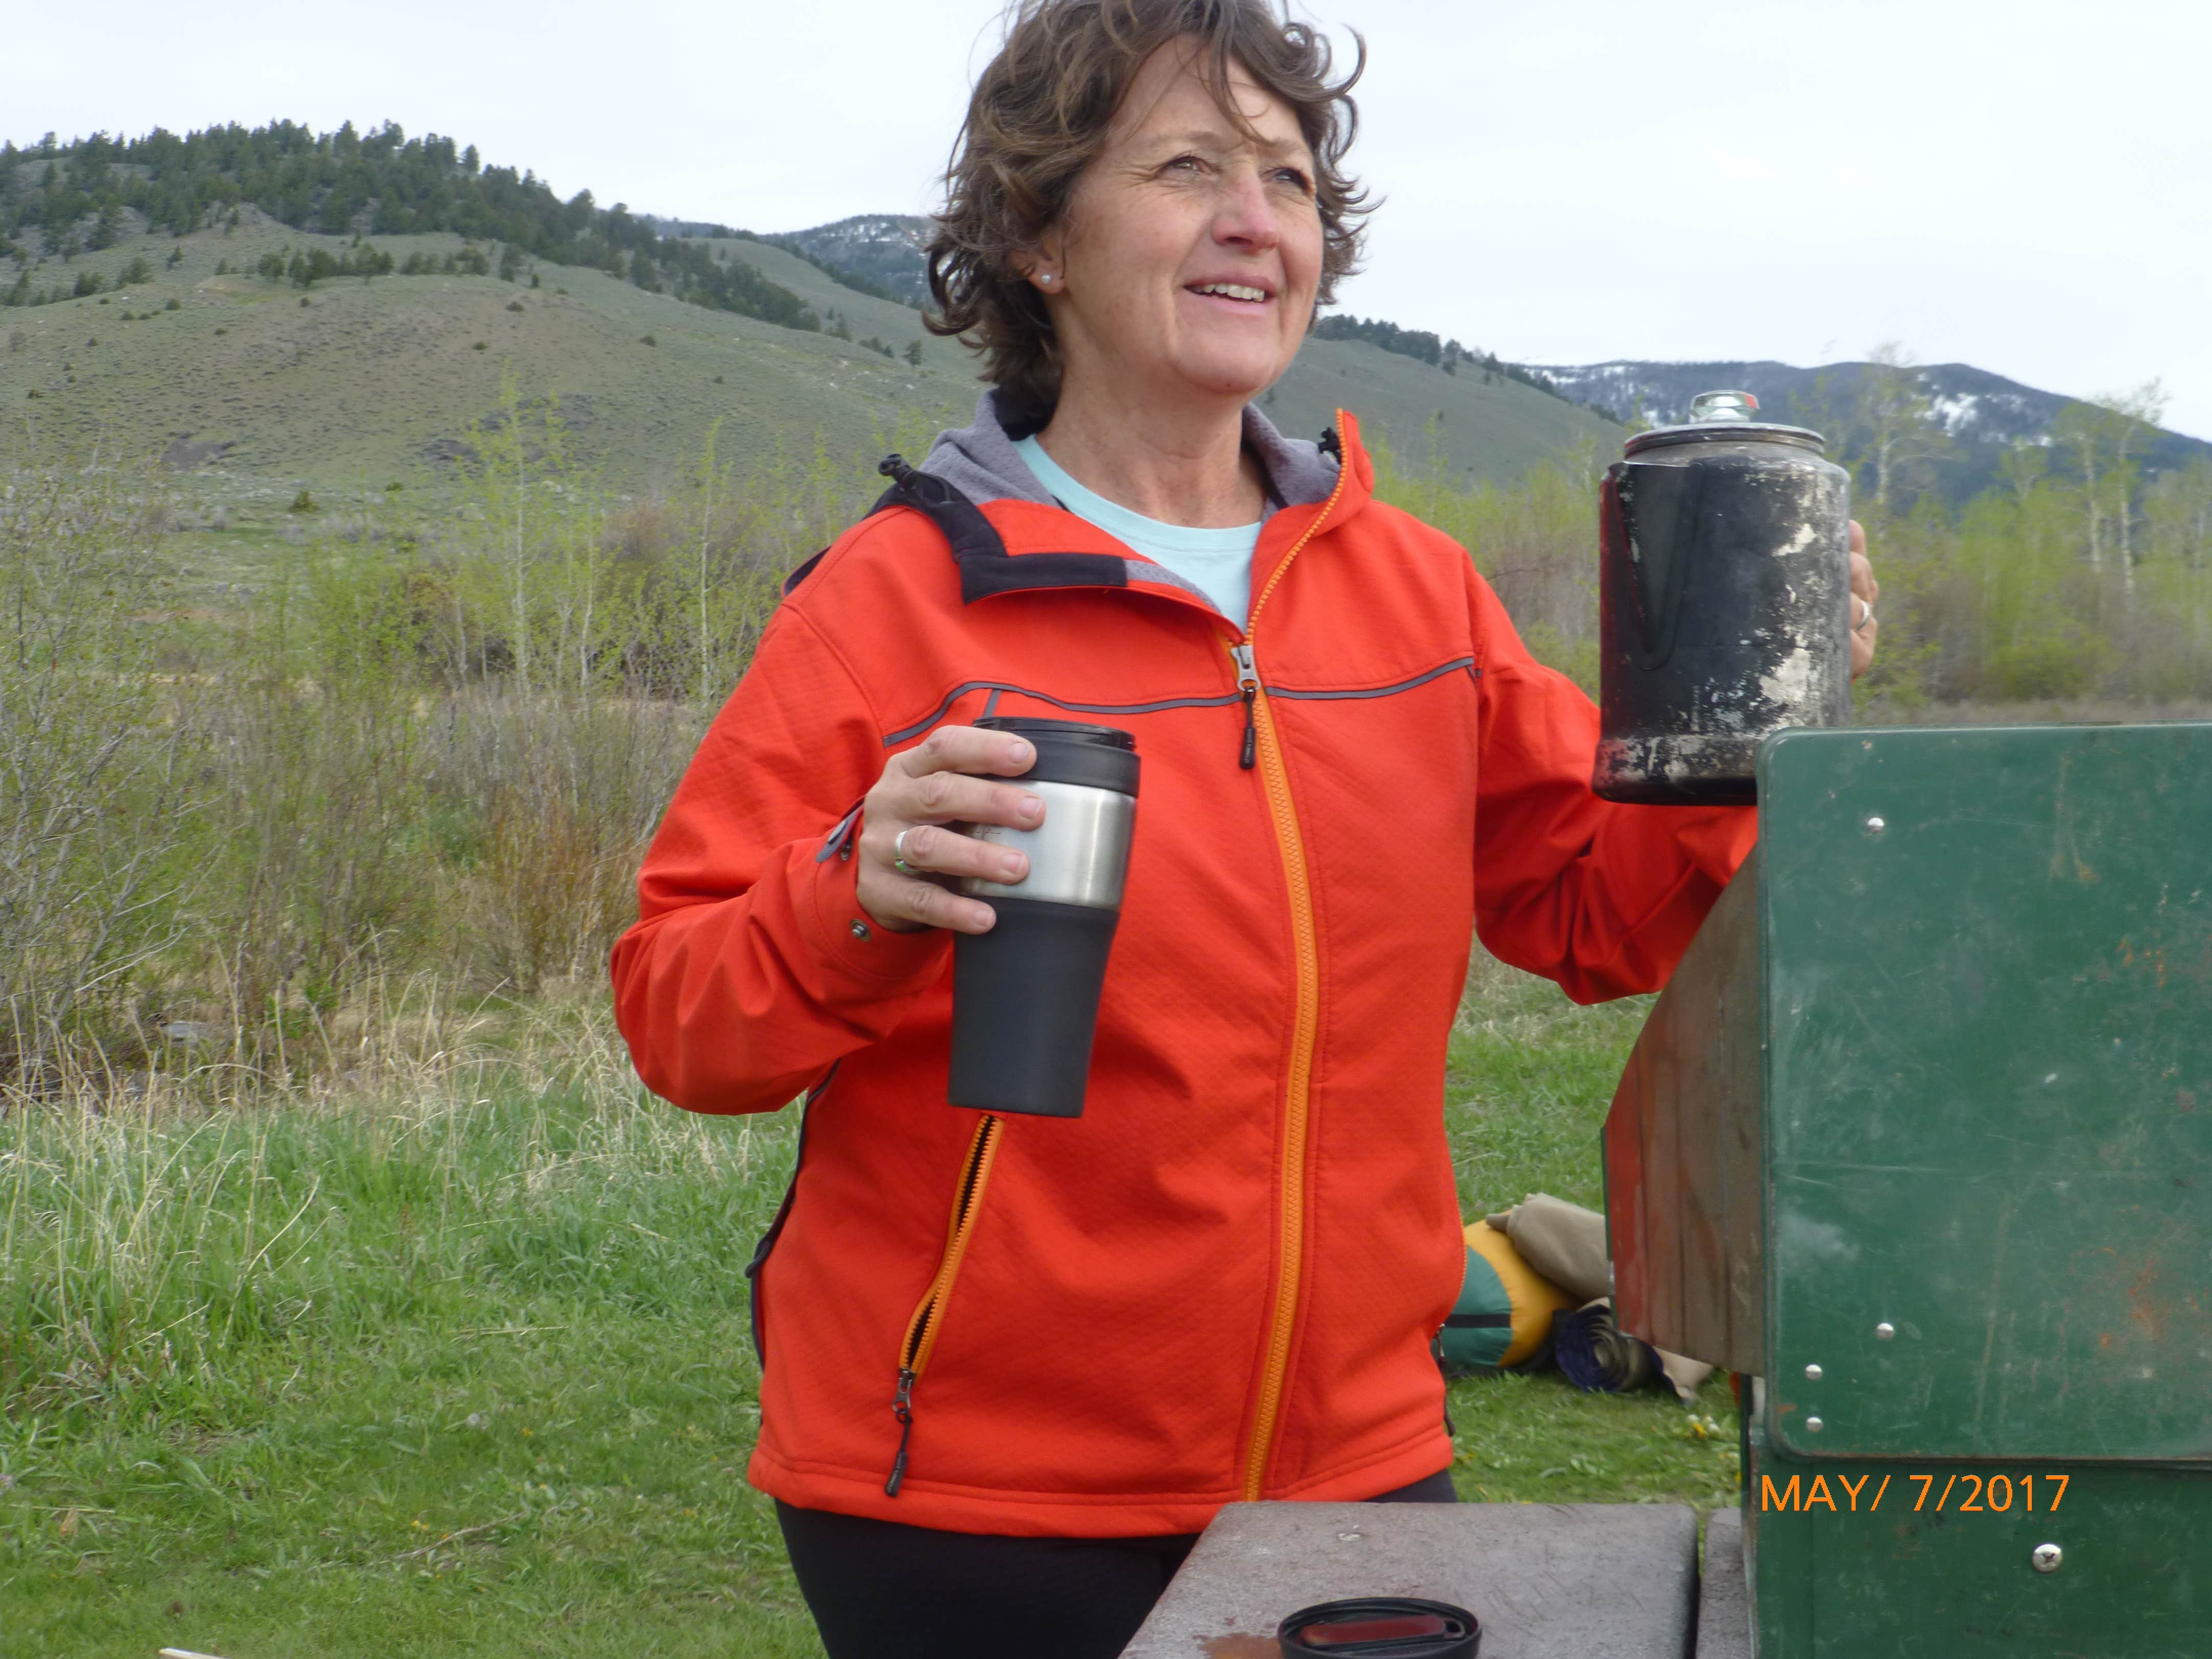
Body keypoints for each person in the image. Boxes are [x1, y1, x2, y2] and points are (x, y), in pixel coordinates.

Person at [610, 2, 1880, 1654]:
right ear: (1040, 239)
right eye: (1187, 168)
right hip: (971, 1496)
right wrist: (860, 889)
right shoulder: (894, 601)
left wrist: (1746, 739)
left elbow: (1594, 913)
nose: (1252, 221)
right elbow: (677, 1010)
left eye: (1286, 180)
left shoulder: (1411, 590)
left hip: (1356, 1462)